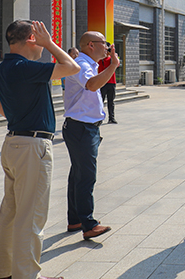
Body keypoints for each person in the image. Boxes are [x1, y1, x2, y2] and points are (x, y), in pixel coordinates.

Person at [0, 20, 80, 279]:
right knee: (31, 216)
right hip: (32, 146)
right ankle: (27, 275)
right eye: (39, 38)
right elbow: (71, 67)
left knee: (11, 212)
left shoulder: (4, 67)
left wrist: (16, 117)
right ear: (32, 38)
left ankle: (4, 271)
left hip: (13, 142)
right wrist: (49, 43)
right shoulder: (25, 67)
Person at [62, 31, 119, 240]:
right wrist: (113, 66)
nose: (107, 47)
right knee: (86, 176)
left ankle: (75, 219)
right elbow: (92, 85)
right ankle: (88, 224)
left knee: (78, 174)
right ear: (90, 45)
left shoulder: (89, 64)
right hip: (81, 128)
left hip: (84, 127)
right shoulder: (81, 64)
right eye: (104, 43)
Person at [97, 53, 117, 124]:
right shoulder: (100, 59)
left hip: (112, 82)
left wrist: (113, 55)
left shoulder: (112, 59)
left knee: (111, 101)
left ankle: (111, 118)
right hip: (102, 82)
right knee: (100, 101)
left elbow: (117, 64)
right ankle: (99, 118)